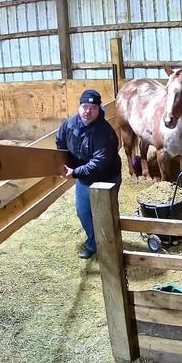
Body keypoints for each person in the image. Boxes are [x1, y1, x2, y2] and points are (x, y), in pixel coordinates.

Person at [56, 89, 122, 259]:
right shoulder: (69, 125)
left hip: (106, 178)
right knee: (83, 212)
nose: (87, 111)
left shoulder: (104, 132)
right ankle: (93, 243)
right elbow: (60, 142)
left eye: (93, 107)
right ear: (79, 107)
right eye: (85, 106)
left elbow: (99, 162)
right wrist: (64, 163)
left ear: (99, 109)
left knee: (104, 214)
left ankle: (109, 247)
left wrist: (75, 172)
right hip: (84, 178)